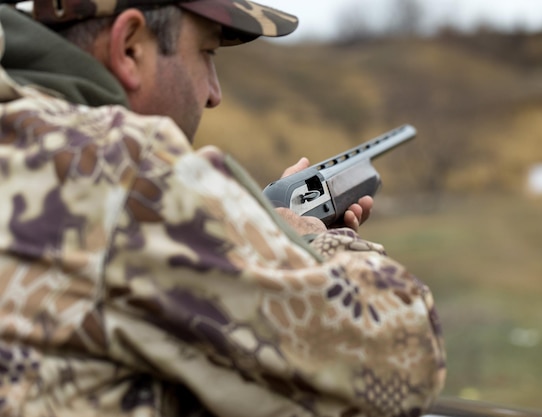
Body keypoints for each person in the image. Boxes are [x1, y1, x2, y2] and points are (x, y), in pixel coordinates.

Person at [0, 0, 446, 416]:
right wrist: (306, 240)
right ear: (130, 47)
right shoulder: (127, 169)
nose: (214, 93)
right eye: (207, 51)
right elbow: (405, 359)